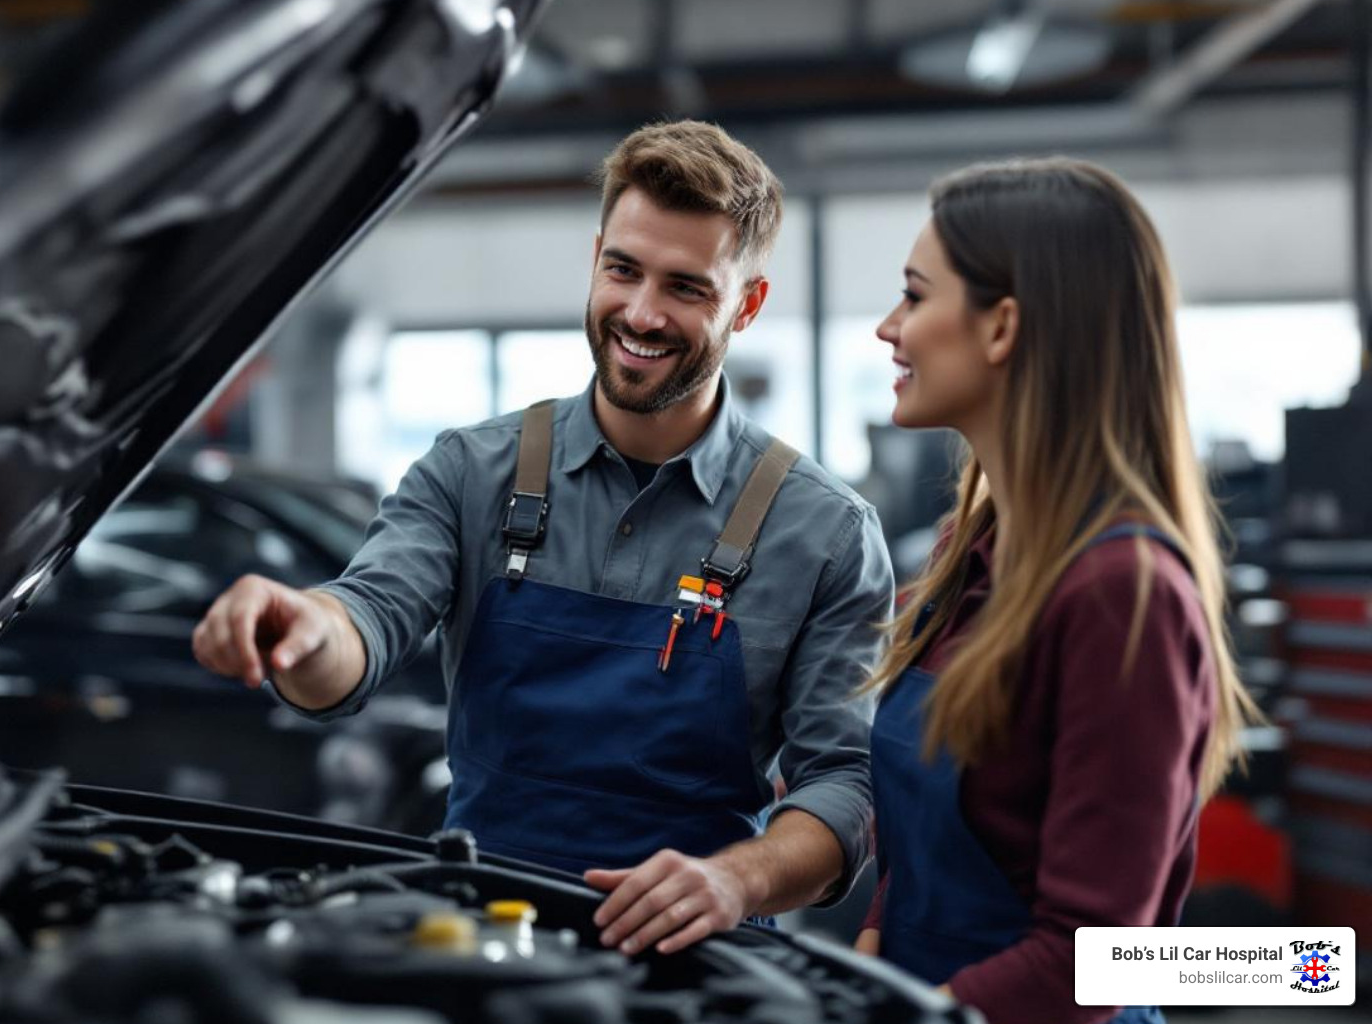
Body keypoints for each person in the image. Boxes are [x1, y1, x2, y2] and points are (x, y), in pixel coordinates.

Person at [193, 120, 894, 957]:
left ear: (746, 303)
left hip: (703, 958)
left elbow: (845, 784)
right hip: (483, 937)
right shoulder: (470, 472)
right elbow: (366, 621)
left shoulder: (824, 532)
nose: (641, 313)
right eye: (622, 270)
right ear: (596, 254)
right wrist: (305, 628)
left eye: (686, 288)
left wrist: (734, 879)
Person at [852, 157, 1259, 1024]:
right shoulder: (975, 549)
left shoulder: (1123, 593)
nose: (891, 328)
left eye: (916, 297)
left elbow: (1097, 958)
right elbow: (938, 841)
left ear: (1003, 327)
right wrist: (878, 940)